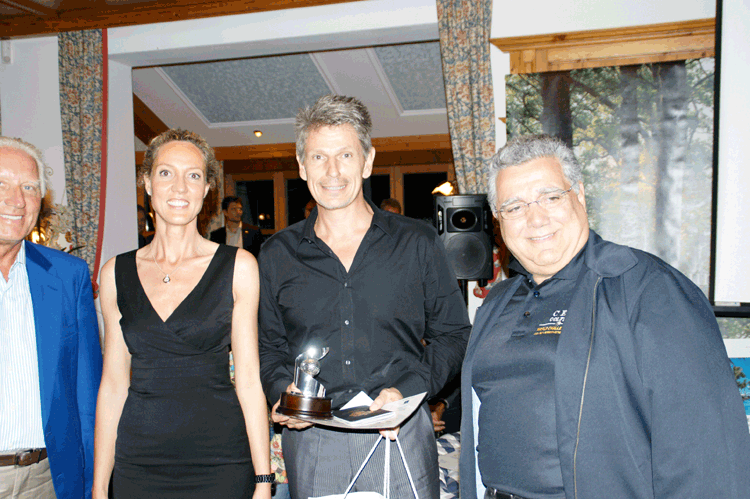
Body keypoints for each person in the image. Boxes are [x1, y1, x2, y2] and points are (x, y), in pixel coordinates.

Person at [460, 134, 750, 499]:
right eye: (514, 207)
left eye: (551, 197)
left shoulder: (650, 290)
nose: (535, 218)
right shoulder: (496, 303)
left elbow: (707, 453)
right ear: (498, 221)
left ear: (579, 195)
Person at [258, 95, 471, 499]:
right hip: (314, 440)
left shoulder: (417, 242)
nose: (332, 171)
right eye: (318, 157)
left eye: (345, 155)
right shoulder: (275, 254)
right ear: (302, 166)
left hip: (400, 431)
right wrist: (284, 391)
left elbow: (454, 335)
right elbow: (269, 349)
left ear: (367, 161)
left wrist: (407, 389)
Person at [93, 129, 272, 499]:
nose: (179, 187)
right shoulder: (114, 274)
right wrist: (99, 485)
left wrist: (263, 480)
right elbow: (112, 385)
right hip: (137, 463)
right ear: (147, 183)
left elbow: (249, 381)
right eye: (165, 173)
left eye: (193, 175)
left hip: (222, 462)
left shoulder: (239, 267)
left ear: (206, 189)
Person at [0, 137, 102, 499]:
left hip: (47, 481)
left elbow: (87, 394)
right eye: (2, 184)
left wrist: (92, 485)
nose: (17, 200)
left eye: (29, 187)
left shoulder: (68, 275)